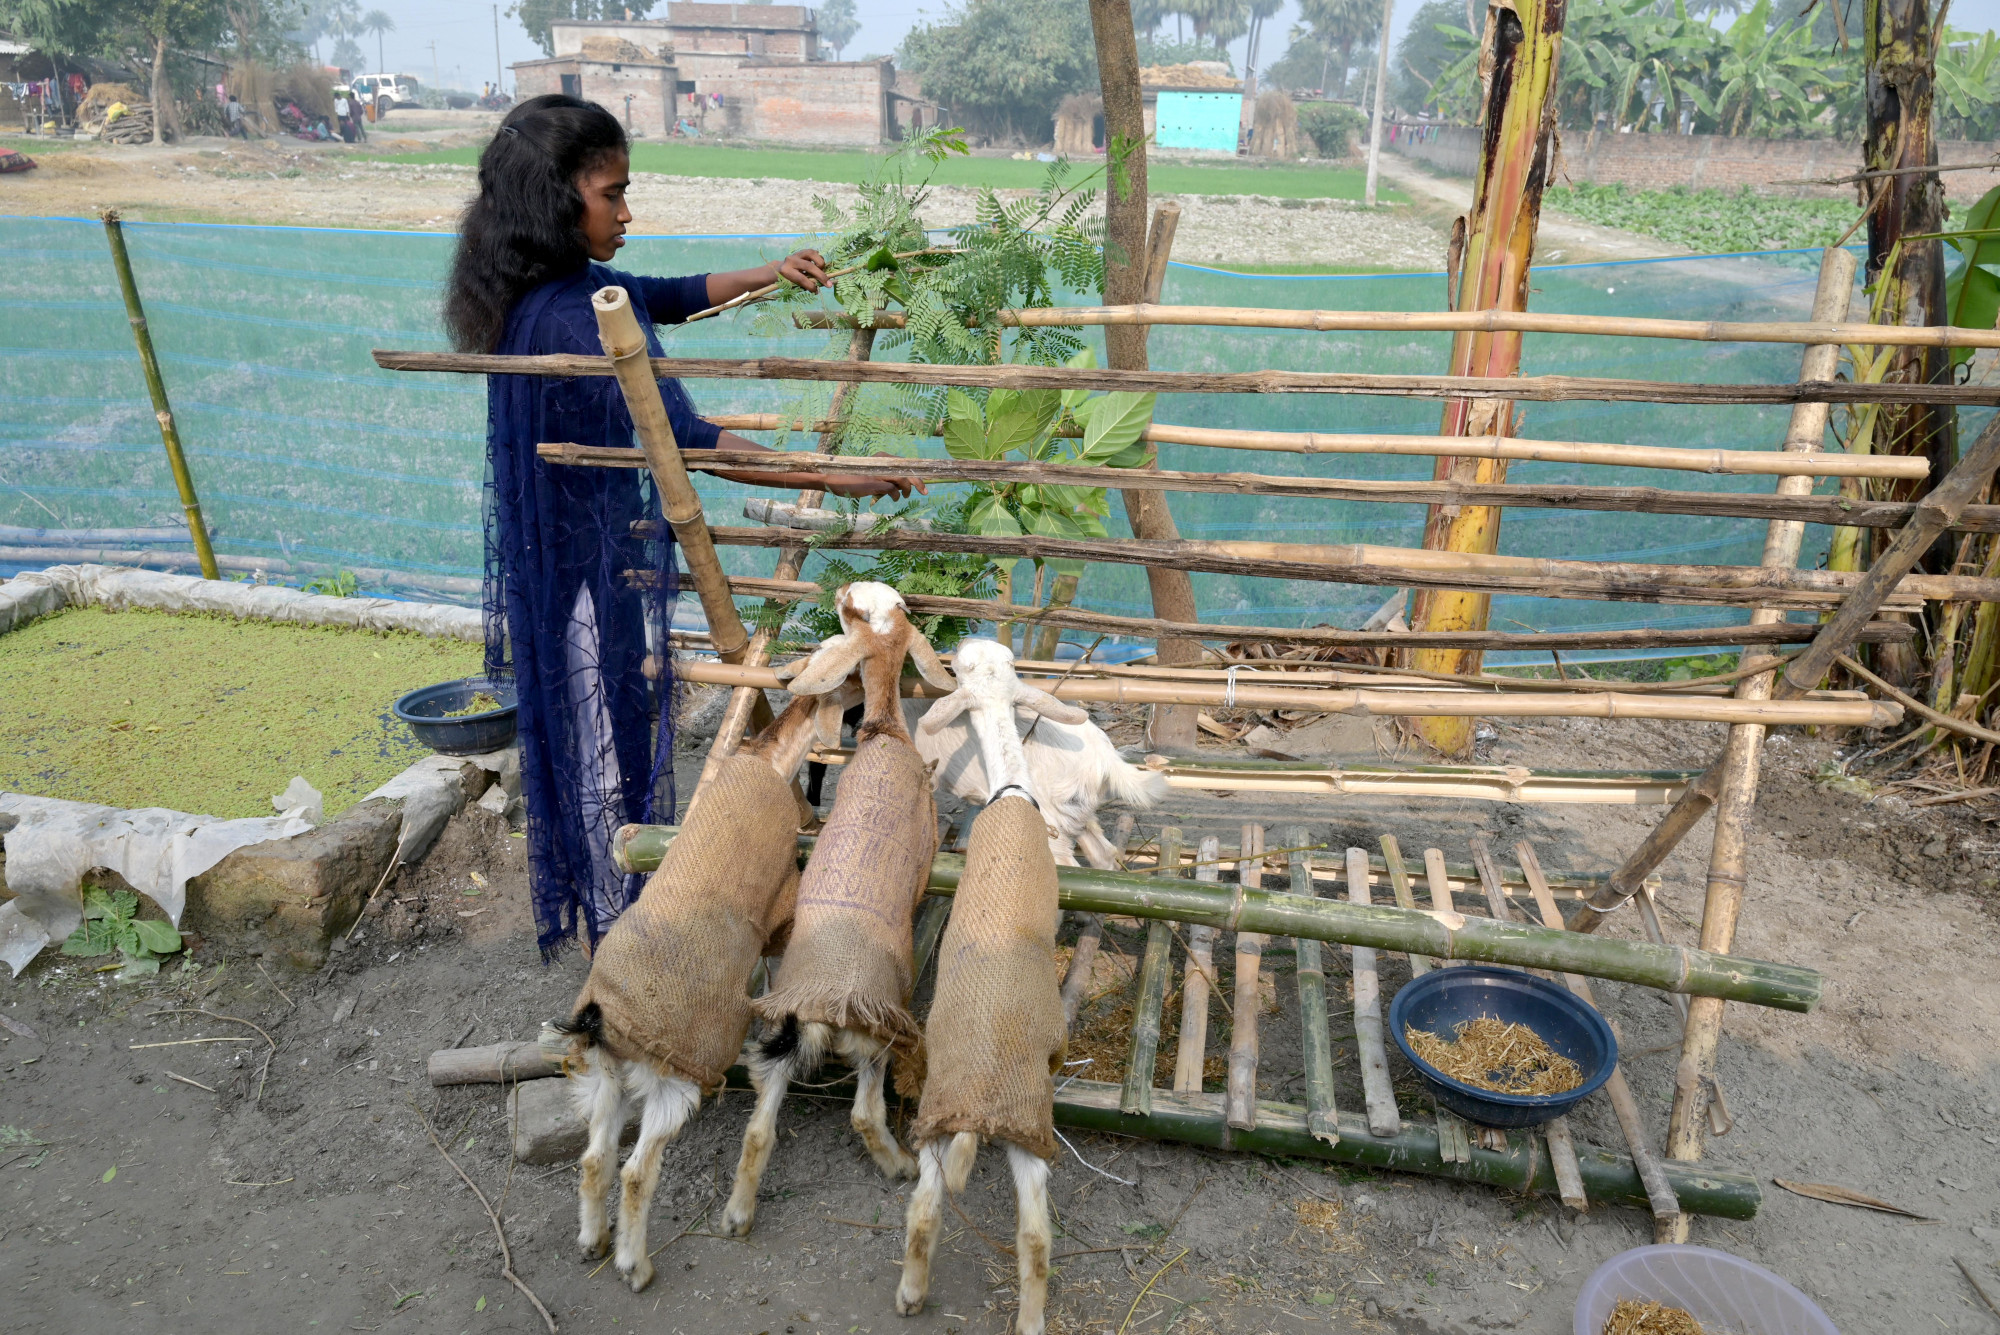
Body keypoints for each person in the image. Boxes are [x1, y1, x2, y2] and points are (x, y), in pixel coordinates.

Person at [442, 93, 923, 958]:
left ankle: (623, 918)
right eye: (612, 195)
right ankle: (617, 935)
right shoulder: (565, 320)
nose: (626, 213)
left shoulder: (560, 287)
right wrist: (833, 475)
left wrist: (766, 273)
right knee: (601, 750)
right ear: (555, 200)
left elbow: (661, 295)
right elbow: (688, 437)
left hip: (583, 555)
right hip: (579, 579)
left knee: (607, 737)